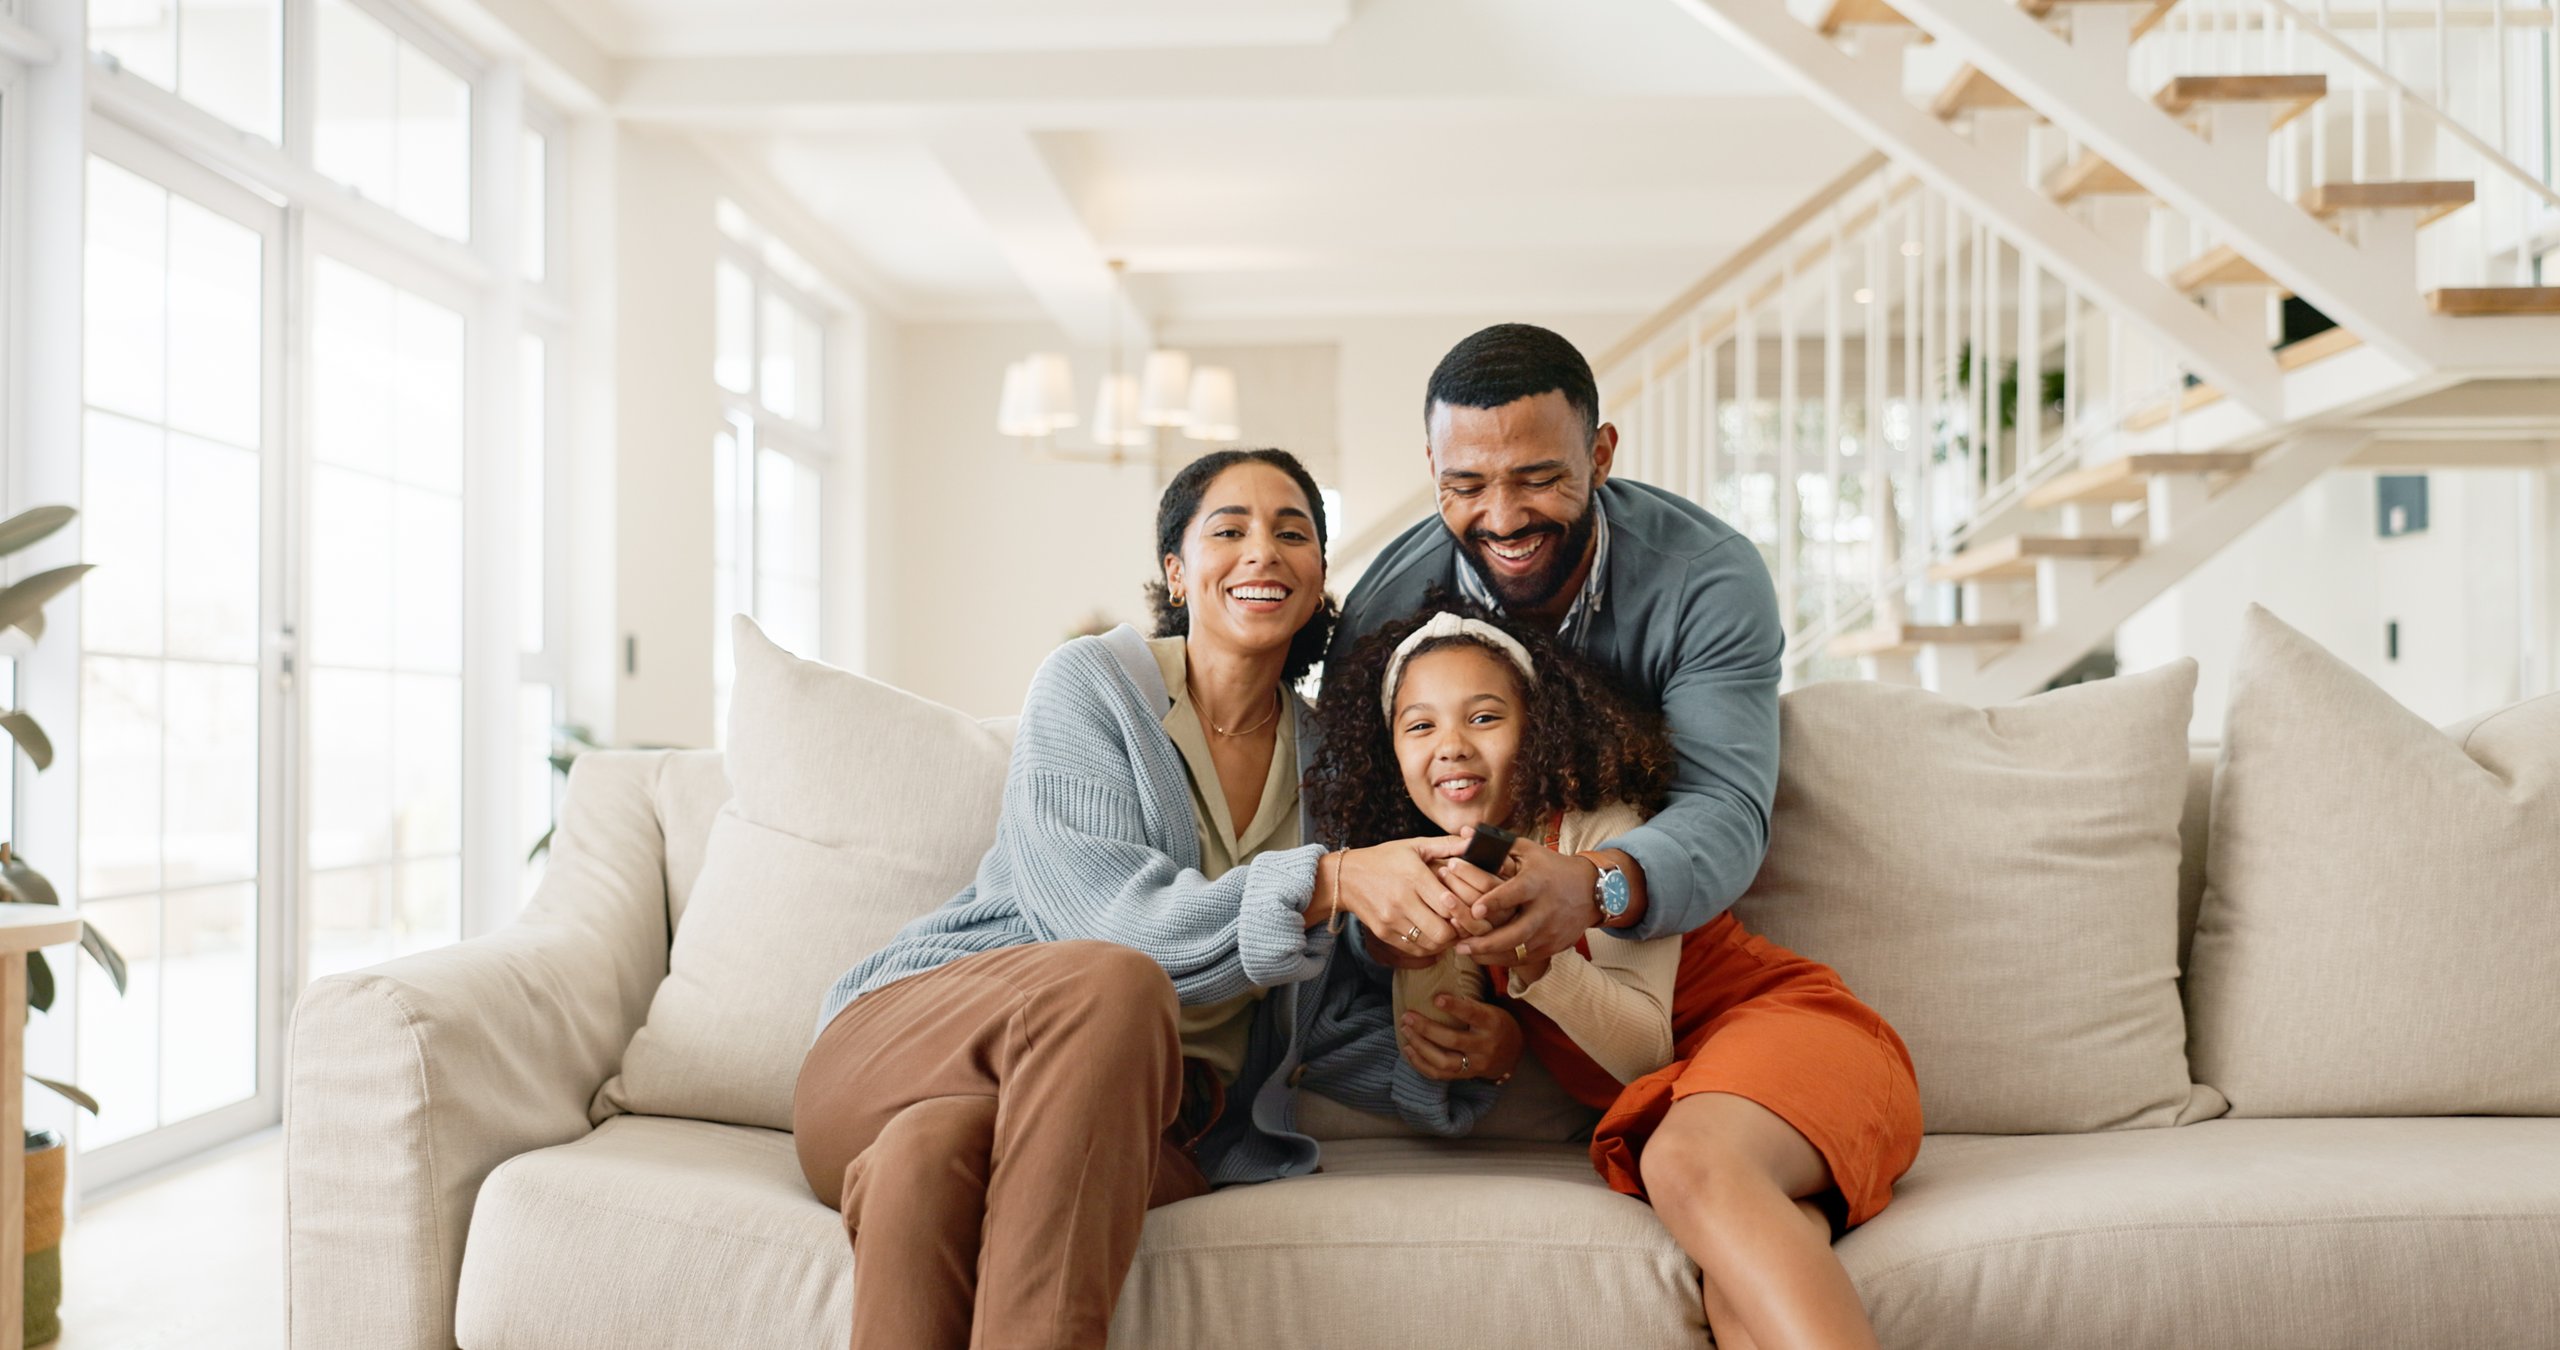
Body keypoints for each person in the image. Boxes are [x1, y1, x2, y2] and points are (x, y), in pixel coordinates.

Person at [793, 448, 1492, 1350]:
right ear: (1176, 569)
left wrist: (1464, 1064)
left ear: (1322, 579)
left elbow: (1301, 1026)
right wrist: (1329, 881)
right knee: (1119, 985)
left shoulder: (1334, 768)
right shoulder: (1092, 687)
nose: (1262, 553)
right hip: (906, 1049)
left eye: (1293, 533)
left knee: (927, 1163)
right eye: (1228, 530)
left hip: (1133, 1120)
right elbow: (1100, 926)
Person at [1307, 603, 1923, 1350]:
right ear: (1391, 754)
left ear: (1535, 731)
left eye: (1485, 718)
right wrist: (1482, 1040)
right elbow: (1444, 1038)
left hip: (1797, 1040)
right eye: (1420, 726)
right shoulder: (1432, 866)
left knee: (1686, 1162)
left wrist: (1540, 963)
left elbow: (1641, 1048)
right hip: (1714, 1122)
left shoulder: (1598, 828)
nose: (1452, 748)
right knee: (1738, 1310)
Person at [1328, 321, 1785, 970]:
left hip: (1665, 952)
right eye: (1465, 486)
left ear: (1600, 455)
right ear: (1433, 468)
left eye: (1538, 479)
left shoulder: (1707, 579)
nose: (1504, 518)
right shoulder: (1385, 609)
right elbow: (1357, 834)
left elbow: (1723, 806)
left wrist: (1596, 886)